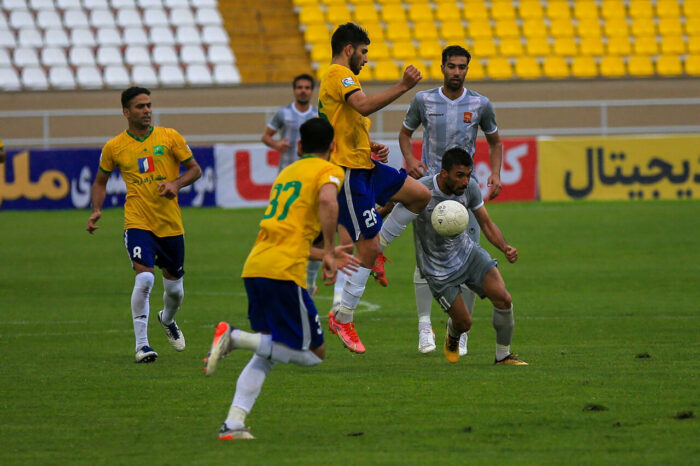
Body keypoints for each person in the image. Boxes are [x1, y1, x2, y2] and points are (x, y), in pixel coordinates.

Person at [203, 118, 357, 440]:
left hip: (257, 265)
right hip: (283, 272)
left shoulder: (286, 173)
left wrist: (325, 255)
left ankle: (233, 424)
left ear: (299, 147)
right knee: (314, 355)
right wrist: (329, 249)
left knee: (268, 351)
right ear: (332, 148)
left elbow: (291, 236)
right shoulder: (329, 171)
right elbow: (329, 201)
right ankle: (234, 338)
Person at [319, 22, 430, 354]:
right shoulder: (339, 74)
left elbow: (346, 123)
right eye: (364, 52)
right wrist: (403, 85)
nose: (366, 59)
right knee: (364, 249)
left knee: (419, 195)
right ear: (349, 49)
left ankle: (378, 245)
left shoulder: (343, 80)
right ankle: (344, 316)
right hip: (350, 174)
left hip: (364, 164)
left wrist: (368, 145)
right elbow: (363, 106)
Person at [398, 45, 504, 355]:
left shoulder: (481, 104)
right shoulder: (424, 100)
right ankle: (423, 327)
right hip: (427, 191)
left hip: (462, 192)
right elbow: (405, 134)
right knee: (425, 261)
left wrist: (495, 173)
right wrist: (409, 160)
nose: (457, 72)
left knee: (469, 255)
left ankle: (462, 331)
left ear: (467, 69)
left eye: (462, 67)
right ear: (442, 67)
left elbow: (495, 141)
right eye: (452, 66)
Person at [86, 86, 202, 363]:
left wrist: (176, 183)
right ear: (126, 112)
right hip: (138, 222)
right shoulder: (115, 147)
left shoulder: (170, 137)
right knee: (146, 277)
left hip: (171, 225)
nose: (147, 110)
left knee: (175, 292)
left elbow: (195, 169)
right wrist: (97, 210)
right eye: (140, 107)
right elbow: (100, 181)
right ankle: (142, 346)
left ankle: (167, 318)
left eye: (149, 105)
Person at [413, 147, 527, 365]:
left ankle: (503, 355)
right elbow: (393, 206)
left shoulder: (470, 187)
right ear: (444, 173)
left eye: (468, 174)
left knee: (504, 298)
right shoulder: (421, 189)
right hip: (437, 269)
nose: (466, 181)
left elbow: (485, 222)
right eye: (460, 176)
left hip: (468, 253)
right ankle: (453, 332)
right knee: (464, 323)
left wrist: (505, 247)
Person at [261, 74, 322, 294]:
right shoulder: (283, 113)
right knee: (288, 229)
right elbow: (266, 135)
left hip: (312, 177)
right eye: (299, 87)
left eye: (307, 87)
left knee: (315, 232)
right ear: (294, 90)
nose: (303, 91)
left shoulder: (318, 114)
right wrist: (277, 144)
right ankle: (288, 275)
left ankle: (309, 280)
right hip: (288, 179)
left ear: (312, 90)